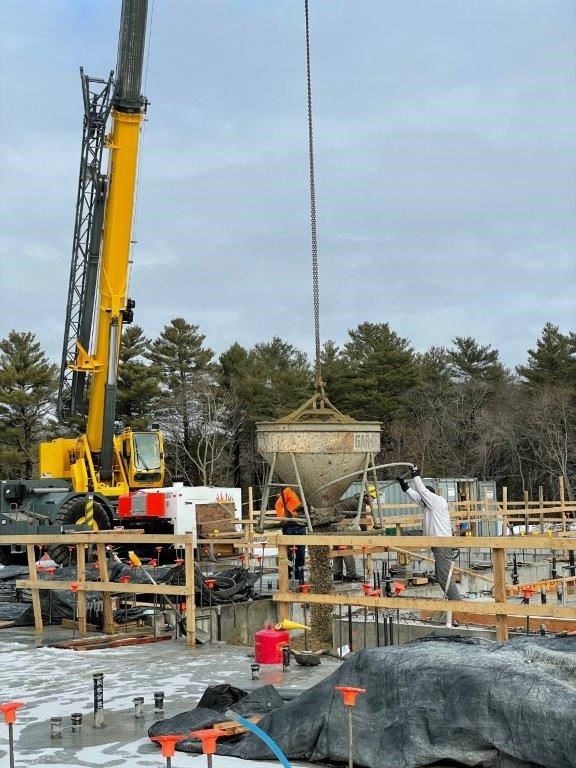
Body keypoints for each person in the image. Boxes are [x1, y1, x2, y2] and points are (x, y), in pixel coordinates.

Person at [396, 467, 461, 600]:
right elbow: (416, 497)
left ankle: (457, 602)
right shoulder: (428, 505)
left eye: (424, 498)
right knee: (440, 576)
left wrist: (416, 475)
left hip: (442, 544)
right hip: (436, 543)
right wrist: (404, 485)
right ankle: (454, 601)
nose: (422, 501)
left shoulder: (437, 501)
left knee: (444, 577)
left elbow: (422, 491)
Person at [275, 487, 307, 582]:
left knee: (300, 552)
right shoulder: (288, 491)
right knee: (288, 552)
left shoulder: (305, 490)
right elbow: (278, 504)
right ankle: (287, 574)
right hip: (289, 526)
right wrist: (282, 520)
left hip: (301, 525)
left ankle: (299, 576)